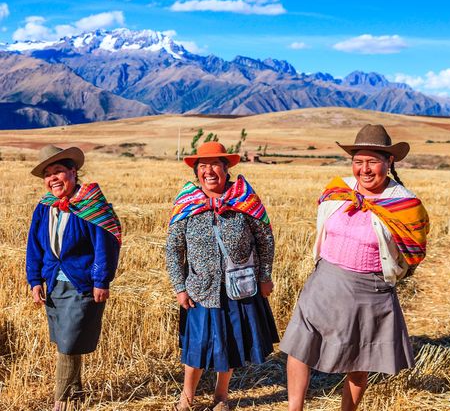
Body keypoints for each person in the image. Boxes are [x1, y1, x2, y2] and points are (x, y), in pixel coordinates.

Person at [280, 124, 429, 411]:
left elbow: (414, 251)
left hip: (370, 290)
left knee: (360, 360)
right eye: (358, 161)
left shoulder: (405, 205)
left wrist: (389, 277)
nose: (365, 169)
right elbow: (322, 225)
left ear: (389, 162)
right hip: (324, 282)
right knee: (299, 348)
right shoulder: (337, 191)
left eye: (373, 161)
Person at [166, 141, 279, 411]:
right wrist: (180, 287)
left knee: (228, 344)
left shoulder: (245, 201)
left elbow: (265, 240)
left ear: (226, 169)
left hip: (237, 287)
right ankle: (187, 398)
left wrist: (265, 276)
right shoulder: (187, 204)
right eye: (202, 166)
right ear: (196, 173)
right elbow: (173, 248)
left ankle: (221, 397)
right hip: (200, 289)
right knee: (196, 347)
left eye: (215, 164)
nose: (209, 171)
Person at [26, 145, 121, 411]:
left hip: (82, 285)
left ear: (73, 172)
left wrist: (101, 280)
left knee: (68, 343)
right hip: (54, 283)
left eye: (58, 171)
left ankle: (61, 402)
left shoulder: (92, 207)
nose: (53, 178)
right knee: (66, 339)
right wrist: (34, 280)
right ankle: (76, 393)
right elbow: (34, 246)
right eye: (48, 174)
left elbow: (106, 244)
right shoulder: (45, 207)